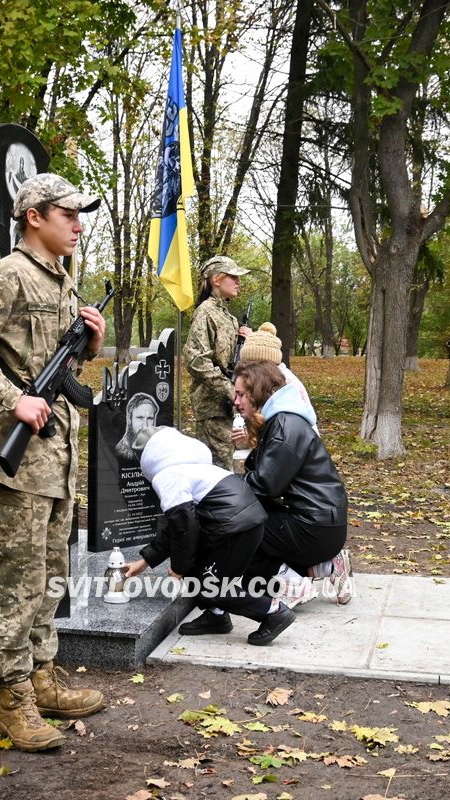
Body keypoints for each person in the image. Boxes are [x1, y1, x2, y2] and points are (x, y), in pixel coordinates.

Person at [0, 173, 107, 752]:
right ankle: (12, 701)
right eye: (68, 214)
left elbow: (54, 367)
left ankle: (42, 677)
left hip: (58, 458)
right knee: (17, 582)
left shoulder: (60, 280)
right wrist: (13, 397)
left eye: (80, 216)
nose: (79, 224)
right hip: (19, 461)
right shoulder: (6, 275)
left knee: (51, 576)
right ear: (35, 216)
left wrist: (91, 343)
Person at [123, 426, 294, 646]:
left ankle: (273, 611)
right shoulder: (193, 469)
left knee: (208, 585)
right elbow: (177, 526)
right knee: (201, 574)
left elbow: (185, 528)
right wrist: (145, 561)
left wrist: (178, 567)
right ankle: (216, 615)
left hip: (233, 529)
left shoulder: (167, 476)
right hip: (245, 524)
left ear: (146, 457)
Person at [233, 360, 353, 606]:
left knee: (242, 520)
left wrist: (224, 489)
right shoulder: (280, 420)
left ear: (257, 392)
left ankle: (292, 584)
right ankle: (327, 567)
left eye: (241, 395)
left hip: (315, 529)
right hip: (321, 524)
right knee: (249, 574)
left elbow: (265, 485)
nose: (236, 402)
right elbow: (259, 472)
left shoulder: (285, 425)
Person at [183, 256, 251, 470]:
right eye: (233, 276)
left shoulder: (226, 316)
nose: (238, 282)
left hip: (226, 406)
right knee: (218, 471)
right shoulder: (205, 312)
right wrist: (229, 388)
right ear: (216, 279)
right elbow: (196, 359)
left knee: (224, 467)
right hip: (212, 406)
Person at [114, 392, 158, 463]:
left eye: (150, 418)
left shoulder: (159, 448)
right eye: (140, 418)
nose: (145, 426)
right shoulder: (118, 452)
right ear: (129, 419)